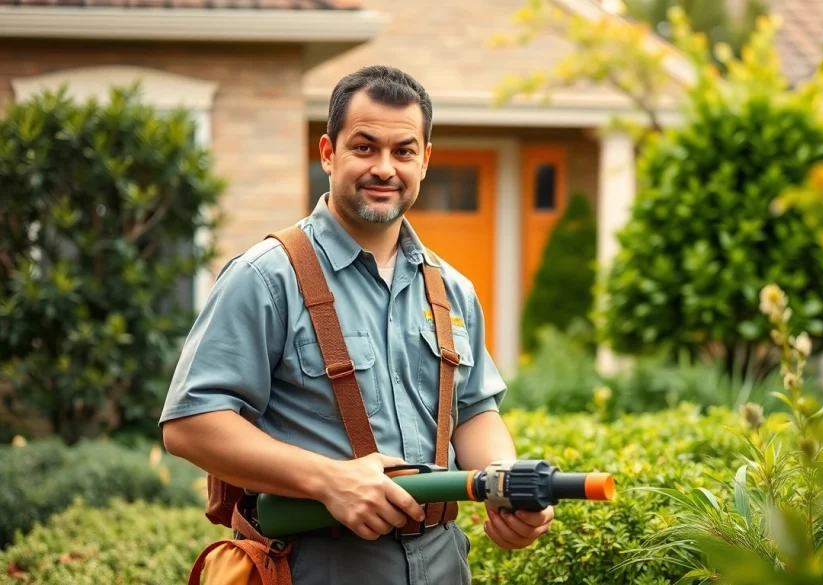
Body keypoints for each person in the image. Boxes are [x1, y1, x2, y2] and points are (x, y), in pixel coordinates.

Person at [159, 65, 554, 584]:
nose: (384, 168)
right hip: (313, 565)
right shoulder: (265, 277)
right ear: (328, 153)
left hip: (442, 564)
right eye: (365, 148)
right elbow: (191, 425)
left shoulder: (451, 289)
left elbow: (474, 411)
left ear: (425, 160)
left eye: (403, 152)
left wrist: (502, 485)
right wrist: (328, 480)